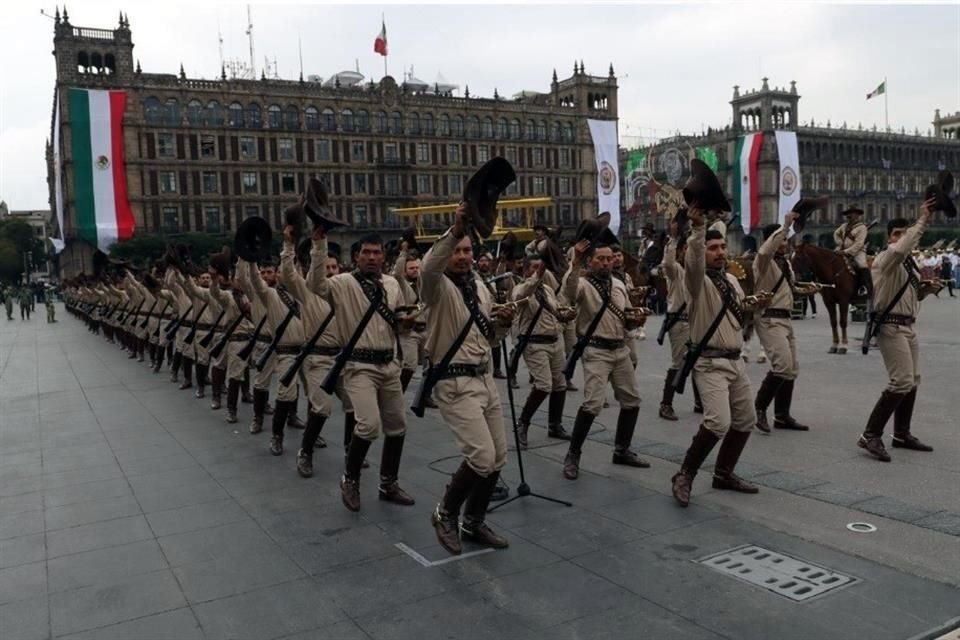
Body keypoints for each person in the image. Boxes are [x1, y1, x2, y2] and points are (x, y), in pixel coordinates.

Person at [422, 205, 512, 555]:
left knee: (499, 457)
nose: (462, 256)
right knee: (481, 457)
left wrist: (503, 323)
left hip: (485, 380)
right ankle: (444, 513)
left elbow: (488, 338)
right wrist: (455, 230)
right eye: (457, 251)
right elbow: (429, 265)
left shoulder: (480, 289)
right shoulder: (436, 286)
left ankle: (473, 522)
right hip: (455, 384)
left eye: (467, 250)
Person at [308, 232, 414, 513]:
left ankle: (388, 483)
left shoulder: (392, 284)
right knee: (368, 424)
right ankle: (350, 479)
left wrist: (408, 322)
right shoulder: (342, 283)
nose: (371, 257)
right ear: (357, 256)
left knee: (398, 426)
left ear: (383, 256)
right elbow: (315, 285)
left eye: (376, 252)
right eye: (366, 252)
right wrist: (319, 245)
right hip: (358, 367)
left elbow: (399, 320)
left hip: (389, 365)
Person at [671, 206, 761, 507]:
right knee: (717, 422)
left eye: (722, 246)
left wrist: (753, 304)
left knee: (746, 419)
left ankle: (723, 473)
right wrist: (698, 231)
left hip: (736, 361)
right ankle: (684, 474)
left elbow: (735, 314)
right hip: (710, 364)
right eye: (713, 248)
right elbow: (693, 262)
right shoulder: (696, 282)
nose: (720, 252)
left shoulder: (732, 280)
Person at [560, 229, 649, 481]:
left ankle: (622, 450)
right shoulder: (584, 284)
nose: (606, 262)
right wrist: (575, 262)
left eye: (609, 258)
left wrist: (635, 320)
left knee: (632, 401)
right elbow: (569, 291)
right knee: (592, 404)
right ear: (591, 261)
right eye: (600, 259)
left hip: (620, 349)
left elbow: (627, 317)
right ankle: (573, 454)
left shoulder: (620, 284)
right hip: (596, 351)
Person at [857, 200, 939, 462]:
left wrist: (926, 289)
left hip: (907, 325)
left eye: (904, 233)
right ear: (889, 237)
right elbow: (903, 248)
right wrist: (922, 220)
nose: (901, 238)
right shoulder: (886, 258)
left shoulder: (909, 265)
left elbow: (910, 296)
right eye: (896, 234)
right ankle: (870, 434)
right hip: (890, 326)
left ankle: (901, 434)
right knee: (900, 380)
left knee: (912, 380)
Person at [280, 225, 339, 477]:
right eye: (326, 267)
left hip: (344, 359)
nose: (331, 272)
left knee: (358, 410)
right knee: (322, 408)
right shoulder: (305, 291)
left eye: (334, 268)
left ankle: (352, 451)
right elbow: (288, 274)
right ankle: (305, 451)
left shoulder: (344, 289)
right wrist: (289, 246)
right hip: (317, 359)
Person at [753, 213, 816, 434]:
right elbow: (765, 250)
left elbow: (786, 288)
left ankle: (781, 415)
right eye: (781, 240)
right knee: (781, 365)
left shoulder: (786, 263)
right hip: (769, 318)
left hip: (785, 318)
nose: (785, 243)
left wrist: (803, 290)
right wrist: (786, 225)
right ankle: (759, 409)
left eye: (786, 240)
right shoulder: (762, 261)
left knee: (791, 369)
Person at [511, 253, 570, 448]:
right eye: (534, 267)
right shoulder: (521, 289)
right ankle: (523, 423)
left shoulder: (547, 290)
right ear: (526, 269)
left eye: (541, 267)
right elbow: (520, 297)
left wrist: (564, 314)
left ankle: (555, 425)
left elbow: (556, 308)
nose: (539, 271)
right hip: (535, 345)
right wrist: (537, 277)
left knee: (560, 384)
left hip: (555, 341)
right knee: (544, 385)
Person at [658, 218, 700, 420]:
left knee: (700, 361)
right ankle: (666, 404)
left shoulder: (697, 271)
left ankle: (700, 402)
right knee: (678, 363)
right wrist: (674, 239)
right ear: (681, 251)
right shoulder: (676, 271)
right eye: (685, 250)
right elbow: (667, 262)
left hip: (696, 321)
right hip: (680, 321)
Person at [834, 206, 870, 296]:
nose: (849, 215)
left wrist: (846, 251)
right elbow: (836, 234)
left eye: (851, 213)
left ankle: (863, 287)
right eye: (847, 214)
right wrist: (840, 243)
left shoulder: (862, 228)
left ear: (857, 215)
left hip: (858, 252)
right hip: (842, 249)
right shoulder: (844, 226)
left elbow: (859, 244)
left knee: (862, 265)